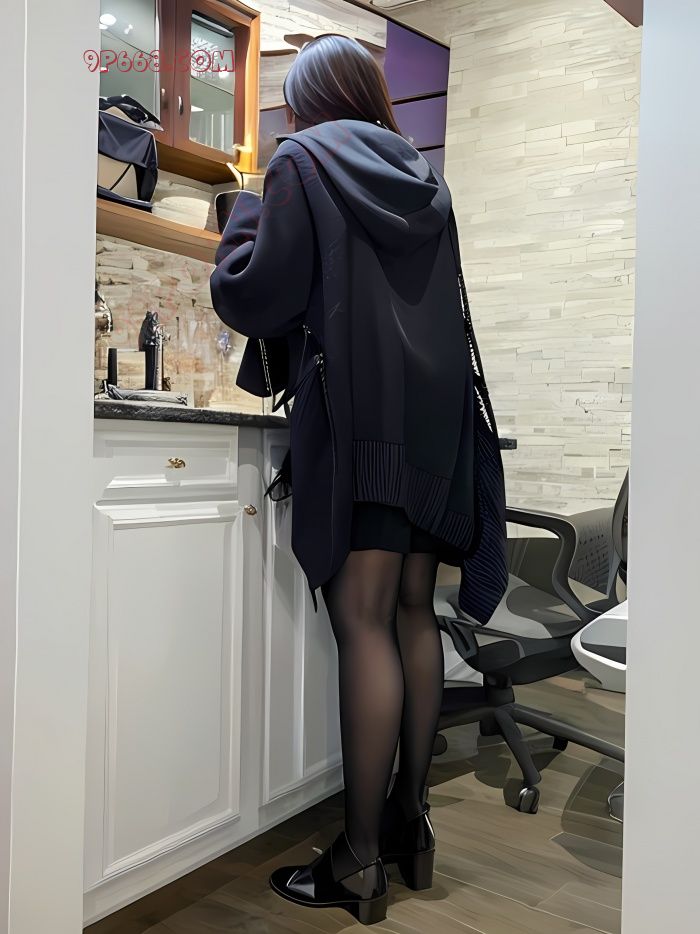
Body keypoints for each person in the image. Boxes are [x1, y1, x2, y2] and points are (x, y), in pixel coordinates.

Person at [210, 33, 507, 926]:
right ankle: (412, 829)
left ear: (306, 103)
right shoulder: (428, 181)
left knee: (364, 624)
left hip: (363, 423)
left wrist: (243, 216)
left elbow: (257, 294)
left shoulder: (300, 163)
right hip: (436, 434)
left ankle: (359, 860)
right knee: (414, 615)